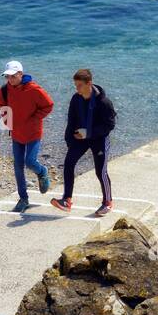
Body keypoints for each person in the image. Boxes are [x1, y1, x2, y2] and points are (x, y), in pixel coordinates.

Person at [49, 68, 116, 217]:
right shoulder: (76, 99)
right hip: (80, 139)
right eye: (75, 85)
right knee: (68, 163)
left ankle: (108, 202)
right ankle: (67, 200)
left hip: (99, 139)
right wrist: (69, 140)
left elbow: (110, 125)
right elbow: (71, 121)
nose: (76, 88)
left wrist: (90, 133)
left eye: (79, 85)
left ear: (89, 83)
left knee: (101, 171)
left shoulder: (104, 102)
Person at [0, 60, 54, 213]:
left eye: (13, 76)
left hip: (33, 132)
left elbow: (48, 105)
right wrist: (7, 119)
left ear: (20, 74)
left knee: (30, 161)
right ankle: (23, 199)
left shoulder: (34, 89)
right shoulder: (5, 90)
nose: (10, 79)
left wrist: (34, 118)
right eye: (7, 77)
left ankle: (42, 172)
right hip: (16, 133)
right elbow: (1, 103)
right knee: (18, 166)